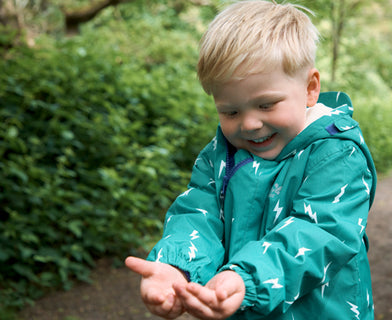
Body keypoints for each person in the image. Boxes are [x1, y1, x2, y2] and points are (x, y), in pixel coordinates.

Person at [125, 1, 377, 319]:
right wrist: (177, 267)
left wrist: (247, 279)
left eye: (266, 105)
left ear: (311, 88)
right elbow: (198, 217)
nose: (249, 124)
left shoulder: (336, 154)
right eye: (230, 111)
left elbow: (321, 233)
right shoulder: (220, 156)